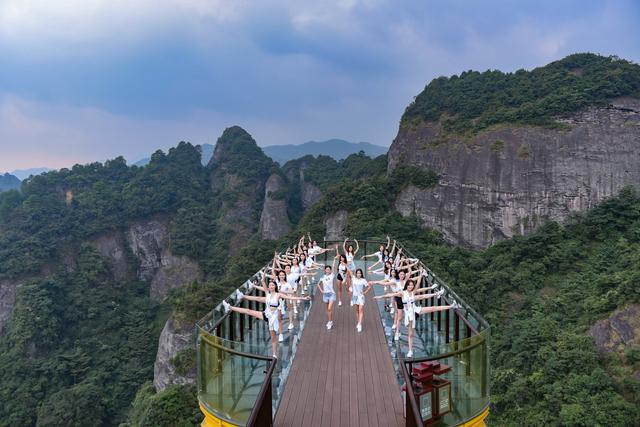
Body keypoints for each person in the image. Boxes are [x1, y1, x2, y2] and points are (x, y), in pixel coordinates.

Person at [224, 272, 311, 358]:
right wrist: (263, 278)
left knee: (273, 338)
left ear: (275, 286)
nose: (271, 286)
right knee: (248, 311)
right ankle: (230, 307)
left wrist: (303, 297)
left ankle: (274, 354)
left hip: (273, 318)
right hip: (266, 315)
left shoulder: (278, 294)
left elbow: (290, 297)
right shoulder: (267, 294)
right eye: (270, 285)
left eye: (273, 285)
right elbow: (263, 284)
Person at [375, 280, 458, 357]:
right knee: (410, 334)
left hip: (415, 309)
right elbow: (391, 295)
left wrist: (433, 293)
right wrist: (379, 297)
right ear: (406, 286)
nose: (410, 286)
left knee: (433, 308)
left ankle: (451, 306)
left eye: (412, 285)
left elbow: (423, 296)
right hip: (408, 314)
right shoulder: (402, 293)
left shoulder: (413, 293)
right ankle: (410, 350)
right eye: (409, 285)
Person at [345, 268, 371, 332]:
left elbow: (369, 286)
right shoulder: (353, 278)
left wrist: (364, 292)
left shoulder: (363, 280)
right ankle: (358, 321)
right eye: (357, 273)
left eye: (360, 273)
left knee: (360, 309)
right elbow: (350, 271)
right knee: (357, 310)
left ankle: (360, 324)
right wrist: (345, 264)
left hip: (361, 297)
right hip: (355, 296)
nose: (358, 274)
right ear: (356, 274)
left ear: (361, 274)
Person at [318, 252, 339, 330]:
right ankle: (330, 320)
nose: (328, 270)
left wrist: (334, 259)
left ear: (330, 270)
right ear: (325, 270)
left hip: (331, 294)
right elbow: (318, 284)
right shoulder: (322, 277)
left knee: (329, 308)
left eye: (329, 269)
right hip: (325, 295)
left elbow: (333, 267)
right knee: (328, 310)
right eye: (326, 269)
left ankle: (330, 322)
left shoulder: (332, 275)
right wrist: (322, 291)